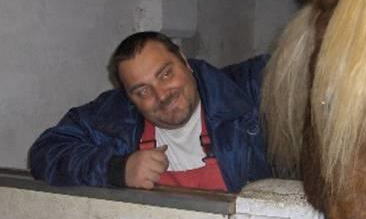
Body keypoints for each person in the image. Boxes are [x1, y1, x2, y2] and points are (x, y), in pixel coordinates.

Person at [28, 31, 271, 193]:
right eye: (142, 91)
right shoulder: (112, 116)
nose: (162, 95)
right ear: (127, 96)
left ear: (185, 62)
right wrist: (117, 169)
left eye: (166, 74)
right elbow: (45, 153)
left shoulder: (249, 89)